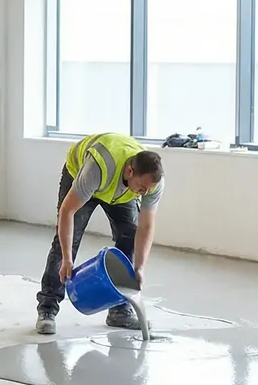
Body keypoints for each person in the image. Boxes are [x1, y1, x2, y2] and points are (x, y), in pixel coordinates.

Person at [35, 132, 164, 336]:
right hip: (84, 175)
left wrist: (139, 268)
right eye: (141, 188)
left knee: (129, 237)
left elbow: (146, 227)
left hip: (119, 191)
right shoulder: (97, 168)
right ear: (130, 171)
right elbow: (68, 211)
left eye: (148, 190)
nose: (144, 193)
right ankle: (47, 309)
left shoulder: (150, 183)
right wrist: (68, 260)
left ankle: (120, 311)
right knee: (66, 243)